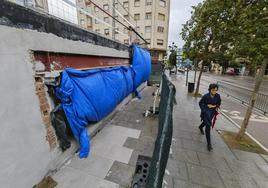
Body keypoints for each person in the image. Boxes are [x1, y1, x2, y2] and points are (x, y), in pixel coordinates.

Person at [199, 83, 221, 151]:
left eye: (216, 90)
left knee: (206, 123)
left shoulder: (218, 96)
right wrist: (205, 108)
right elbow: (200, 103)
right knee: (208, 126)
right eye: (213, 90)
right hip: (205, 113)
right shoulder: (206, 96)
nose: (214, 92)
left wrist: (213, 106)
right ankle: (209, 144)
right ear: (210, 89)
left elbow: (219, 103)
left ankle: (200, 127)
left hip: (212, 113)